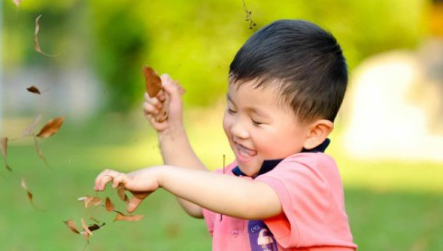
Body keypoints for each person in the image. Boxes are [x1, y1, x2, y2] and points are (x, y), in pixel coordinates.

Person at [94, 19, 357, 250]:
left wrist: (162, 175)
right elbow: (198, 202)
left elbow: (250, 200)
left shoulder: (312, 175)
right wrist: (169, 130)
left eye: (257, 121)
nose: (238, 129)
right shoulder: (242, 178)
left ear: (314, 133)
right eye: (232, 109)